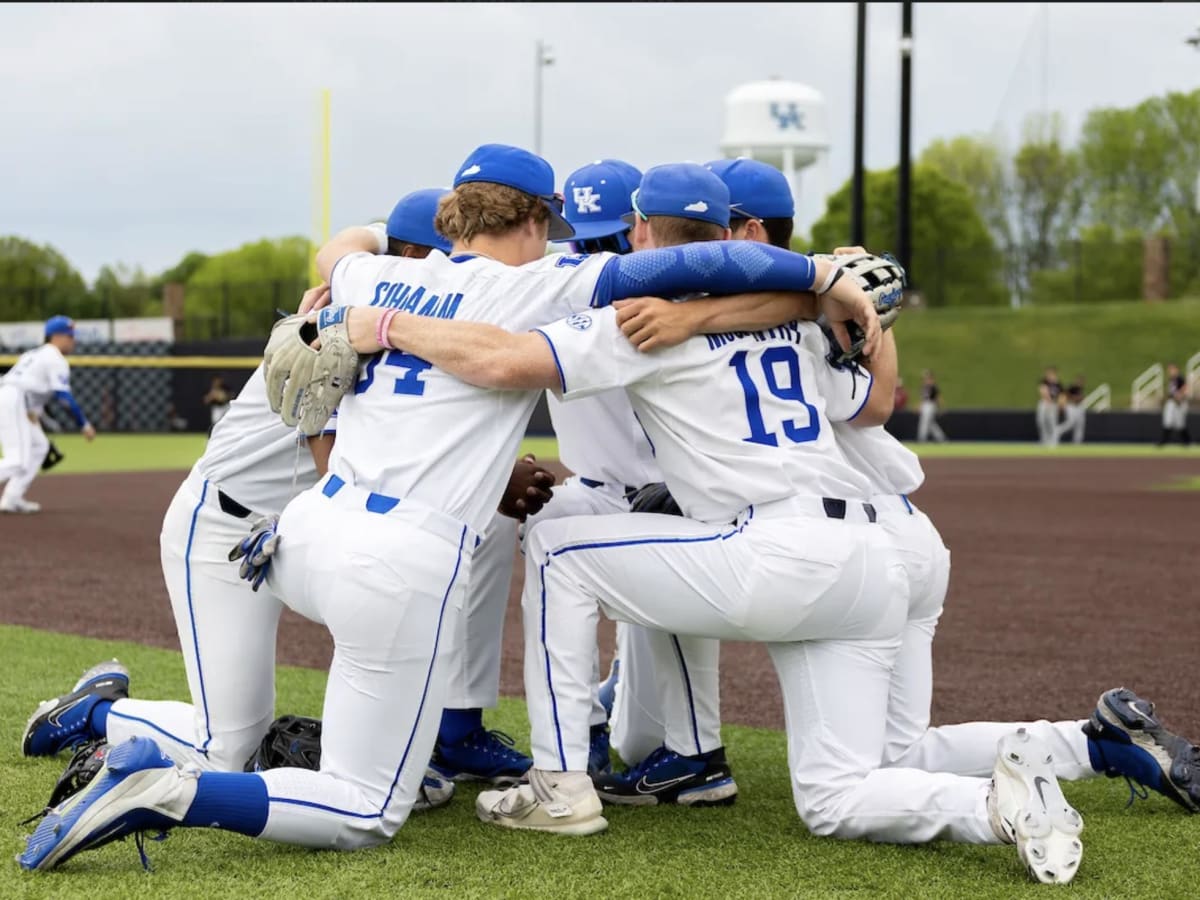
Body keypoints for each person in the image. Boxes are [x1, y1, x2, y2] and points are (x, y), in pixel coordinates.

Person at [18, 143, 879, 872]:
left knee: (263, 727)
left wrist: (381, 297)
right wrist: (817, 276)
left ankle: (382, 744)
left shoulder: (372, 274)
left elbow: (335, 247)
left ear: (451, 220)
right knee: (363, 808)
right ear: (538, 220)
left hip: (301, 536)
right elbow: (691, 265)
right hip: (390, 557)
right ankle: (172, 787)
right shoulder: (535, 285)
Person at [17, 190, 464, 813]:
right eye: (441, 258)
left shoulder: (405, 319)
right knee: (226, 746)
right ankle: (94, 714)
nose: (454, 273)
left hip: (298, 535)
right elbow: (338, 469)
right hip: (223, 536)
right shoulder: (330, 328)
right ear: (410, 255)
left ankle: (377, 749)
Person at [0, 315, 96, 513]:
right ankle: (11, 498)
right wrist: (84, 424)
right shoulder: (56, 358)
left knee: (40, 446)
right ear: (57, 336)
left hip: (15, 399)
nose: (73, 340)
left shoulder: (32, 354)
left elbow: (31, 386)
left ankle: (12, 498)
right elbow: (63, 397)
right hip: (14, 399)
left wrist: (34, 412)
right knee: (17, 460)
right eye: (70, 336)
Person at [1159, 363, 1191, 447]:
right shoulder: (1171, 379)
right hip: (1171, 402)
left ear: (1176, 369)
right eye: (1169, 370)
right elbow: (1171, 391)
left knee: (1180, 423)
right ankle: (1163, 441)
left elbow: (1185, 387)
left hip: (1179, 403)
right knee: (1168, 421)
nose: (1170, 371)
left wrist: (1180, 395)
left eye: (1172, 369)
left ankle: (1187, 441)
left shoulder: (1180, 377)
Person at [917, 369, 946, 443]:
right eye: (925, 378)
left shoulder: (933, 387)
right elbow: (923, 398)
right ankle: (941, 438)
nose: (925, 380)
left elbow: (938, 398)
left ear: (931, 378)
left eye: (927, 378)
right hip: (925, 405)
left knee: (924, 422)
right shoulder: (924, 387)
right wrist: (920, 405)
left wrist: (941, 407)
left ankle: (921, 439)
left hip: (931, 405)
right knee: (931, 424)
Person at [1056, 375, 1086, 444]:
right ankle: (1057, 431)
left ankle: (1077, 443)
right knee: (1070, 424)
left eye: (1082, 381)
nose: (1080, 382)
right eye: (1079, 381)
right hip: (1071, 407)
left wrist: (1080, 398)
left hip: (1079, 407)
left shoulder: (1080, 388)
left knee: (1080, 425)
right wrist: (1062, 404)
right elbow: (1065, 395)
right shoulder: (1072, 387)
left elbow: (1081, 398)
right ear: (1076, 381)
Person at [1036, 365, 1062, 447]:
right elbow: (1043, 391)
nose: (1049, 375)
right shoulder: (1044, 381)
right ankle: (1044, 440)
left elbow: (1061, 395)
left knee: (1052, 423)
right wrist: (1048, 400)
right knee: (1041, 421)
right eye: (1048, 373)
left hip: (1053, 404)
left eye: (1051, 373)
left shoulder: (1058, 383)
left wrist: (1058, 404)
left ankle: (1054, 442)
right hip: (1044, 403)